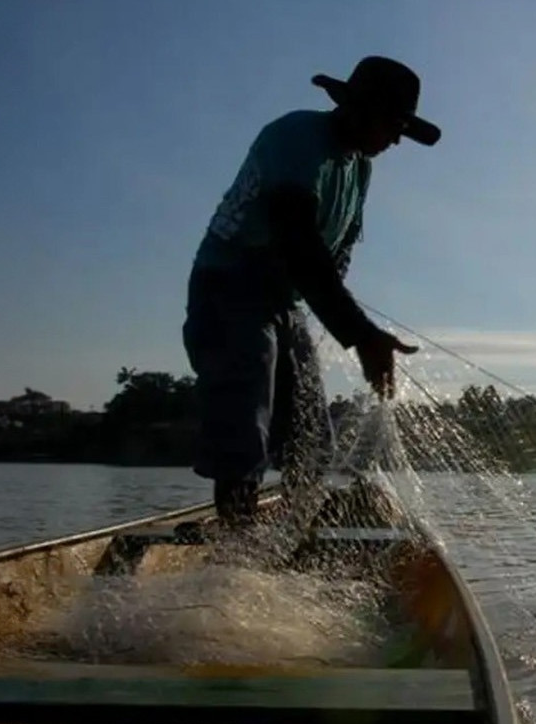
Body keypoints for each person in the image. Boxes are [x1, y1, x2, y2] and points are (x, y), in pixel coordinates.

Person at [183, 56, 437, 529]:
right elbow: (299, 243)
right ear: (358, 109)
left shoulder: (360, 168)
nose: (397, 138)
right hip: (229, 287)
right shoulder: (297, 139)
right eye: (393, 124)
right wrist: (360, 333)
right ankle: (236, 552)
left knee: (311, 438)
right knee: (245, 419)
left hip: (284, 301)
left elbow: (332, 259)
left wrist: (351, 326)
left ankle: (295, 537)